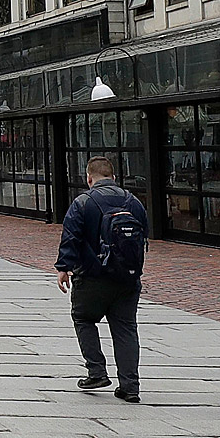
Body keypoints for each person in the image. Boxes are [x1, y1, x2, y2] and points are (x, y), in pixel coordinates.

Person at [54, 155, 149, 402]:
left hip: (93, 277)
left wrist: (63, 267)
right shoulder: (134, 202)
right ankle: (130, 387)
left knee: (83, 318)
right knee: (126, 328)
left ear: (89, 178)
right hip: (128, 278)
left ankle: (96, 371)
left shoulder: (83, 202)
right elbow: (143, 237)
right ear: (114, 177)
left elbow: (71, 237)